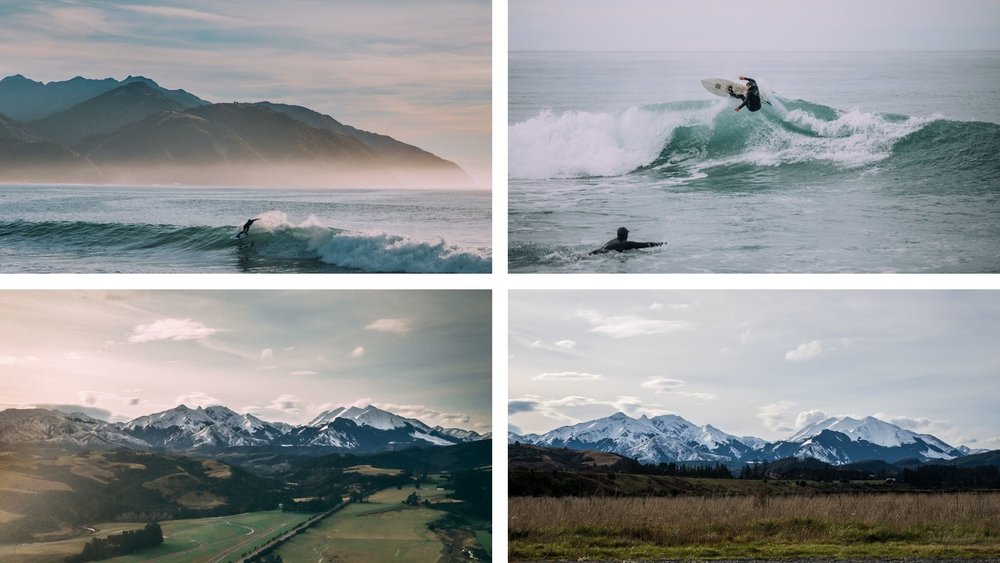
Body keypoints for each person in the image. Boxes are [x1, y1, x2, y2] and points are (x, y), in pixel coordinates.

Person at [591, 227, 665, 254]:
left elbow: (599, 251)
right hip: (605, 255)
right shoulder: (625, 244)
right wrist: (659, 244)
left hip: (598, 253)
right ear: (626, 235)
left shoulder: (613, 241)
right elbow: (643, 245)